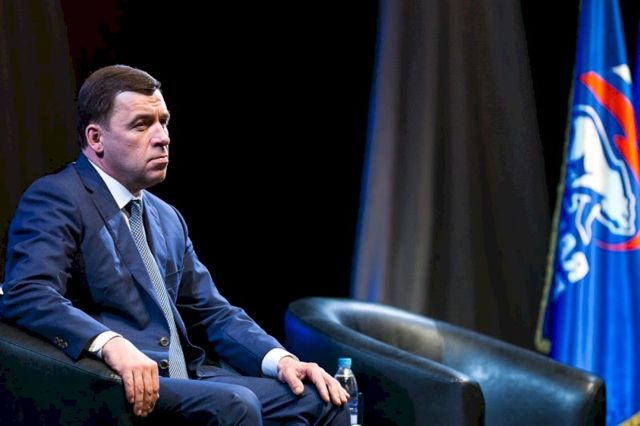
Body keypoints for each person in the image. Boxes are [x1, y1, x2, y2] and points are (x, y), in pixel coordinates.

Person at [0, 64, 349, 425]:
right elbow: (28, 292)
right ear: (96, 138)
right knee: (236, 404)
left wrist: (282, 360)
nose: (162, 137)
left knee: (325, 400)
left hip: (188, 379)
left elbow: (213, 311)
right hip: (113, 383)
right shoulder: (58, 198)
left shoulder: (167, 217)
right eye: (141, 125)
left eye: (163, 122)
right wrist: (109, 343)